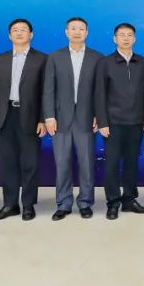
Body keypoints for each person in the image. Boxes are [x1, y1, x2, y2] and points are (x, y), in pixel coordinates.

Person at [0, 18, 47, 221]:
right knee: (8, 163)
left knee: (30, 163)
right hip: (5, 116)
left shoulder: (42, 59)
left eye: (24, 30)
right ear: (9, 35)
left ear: (31, 34)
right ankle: (10, 204)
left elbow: (45, 92)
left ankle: (28, 204)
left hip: (31, 117)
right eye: (15, 30)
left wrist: (43, 119)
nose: (19, 33)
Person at [43, 17, 103, 221]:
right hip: (60, 118)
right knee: (62, 163)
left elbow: (100, 92)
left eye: (81, 29)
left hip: (87, 117)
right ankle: (63, 203)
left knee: (87, 163)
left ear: (87, 32)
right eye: (73, 28)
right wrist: (49, 116)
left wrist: (99, 115)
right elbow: (48, 89)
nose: (77, 32)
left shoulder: (97, 57)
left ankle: (85, 202)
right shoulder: (55, 56)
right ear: (66, 32)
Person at [94, 22, 144, 220]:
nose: (126, 38)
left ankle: (129, 200)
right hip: (113, 123)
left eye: (129, 35)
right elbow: (99, 94)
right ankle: (113, 203)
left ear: (134, 38)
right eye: (122, 35)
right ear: (114, 39)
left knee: (131, 163)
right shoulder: (105, 62)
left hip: (136, 122)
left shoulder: (142, 62)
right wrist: (102, 122)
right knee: (111, 164)